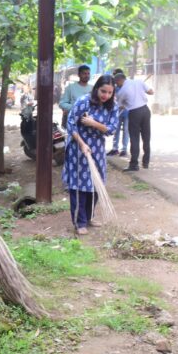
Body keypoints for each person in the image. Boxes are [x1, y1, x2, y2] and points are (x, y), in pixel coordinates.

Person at [62, 75, 119, 234]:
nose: (105, 95)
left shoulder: (112, 106)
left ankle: (89, 217)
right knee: (80, 185)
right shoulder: (83, 101)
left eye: (109, 92)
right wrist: (82, 144)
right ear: (96, 88)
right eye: (103, 91)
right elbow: (71, 124)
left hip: (97, 149)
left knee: (96, 184)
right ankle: (79, 223)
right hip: (78, 148)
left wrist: (93, 123)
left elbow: (112, 129)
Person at [113, 73, 154, 171]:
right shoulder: (139, 81)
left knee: (135, 138)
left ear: (119, 81)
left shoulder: (121, 91)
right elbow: (151, 92)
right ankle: (146, 162)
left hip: (134, 113)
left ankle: (134, 164)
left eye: (116, 83)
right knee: (146, 137)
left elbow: (120, 105)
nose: (116, 85)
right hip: (145, 110)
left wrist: (127, 103)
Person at [107, 68, 129, 157]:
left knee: (126, 131)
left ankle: (124, 149)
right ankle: (115, 148)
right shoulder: (114, 88)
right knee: (116, 130)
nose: (115, 79)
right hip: (117, 112)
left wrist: (125, 105)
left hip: (127, 112)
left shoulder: (128, 87)